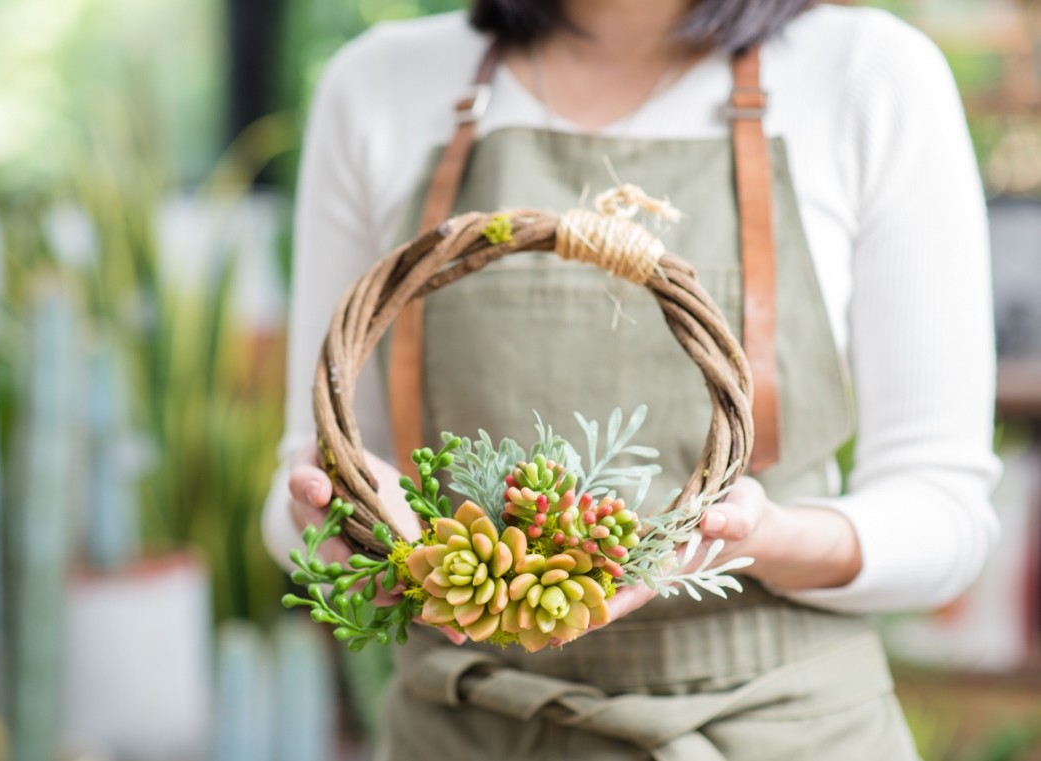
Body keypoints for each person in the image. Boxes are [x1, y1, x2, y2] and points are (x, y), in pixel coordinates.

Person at [265, 1, 1000, 758]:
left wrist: (762, 537)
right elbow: (307, 479)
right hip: (461, 723)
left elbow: (944, 513)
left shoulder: (868, 74)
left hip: (775, 725)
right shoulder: (380, 82)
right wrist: (357, 531)